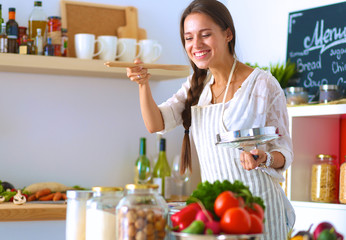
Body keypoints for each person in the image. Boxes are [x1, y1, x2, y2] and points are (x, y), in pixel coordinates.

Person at [127, 0, 295, 239]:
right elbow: (156, 123)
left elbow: (285, 153)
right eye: (188, 38)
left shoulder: (262, 84)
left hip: (261, 210)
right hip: (218, 213)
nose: (196, 45)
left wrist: (264, 158)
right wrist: (143, 85)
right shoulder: (196, 86)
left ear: (228, 34)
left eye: (205, 35)